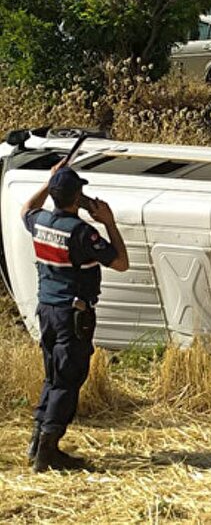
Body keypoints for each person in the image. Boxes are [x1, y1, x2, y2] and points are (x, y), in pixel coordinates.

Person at [22, 162, 129, 472]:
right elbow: (121, 262)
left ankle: (36, 440)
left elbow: (27, 208)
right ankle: (48, 451)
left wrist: (49, 180)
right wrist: (109, 222)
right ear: (76, 196)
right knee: (68, 380)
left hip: (47, 310)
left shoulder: (40, 221)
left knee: (53, 376)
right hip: (73, 314)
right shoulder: (82, 233)